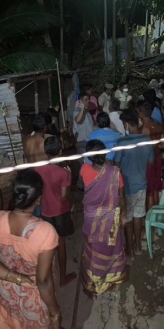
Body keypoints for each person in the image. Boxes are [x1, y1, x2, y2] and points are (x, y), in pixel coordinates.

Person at [0, 169, 61, 328]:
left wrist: (12, 276)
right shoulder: (45, 232)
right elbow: (43, 280)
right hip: (33, 297)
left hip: (6, 290)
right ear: (38, 199)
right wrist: (55, 312)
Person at [80, 140, 127, 298]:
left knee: (94, 250)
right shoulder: (115, 172)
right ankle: (110, 280)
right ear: (105, 153)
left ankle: (93, 283)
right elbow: (121, 196)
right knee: (110, 249)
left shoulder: (84, 169)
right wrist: (124, 214)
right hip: (110, 219)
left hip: (91, 219)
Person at [35, 136, 76, 287]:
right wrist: (70, 178)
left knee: (48, 246)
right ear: (60, 151)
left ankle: (50, 276)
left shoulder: (37, 169)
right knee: (61, 244)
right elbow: (64, 198)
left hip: (45, 211)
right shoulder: (63, 172)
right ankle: (63, 278)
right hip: (60, 212)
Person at [114, 109, 154, 258]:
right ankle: (138, 245)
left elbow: (116, 165)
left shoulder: (122, 142)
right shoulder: (147, 140)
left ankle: (129, 249)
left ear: (125, 124)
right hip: (141, 183)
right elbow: (150, 161)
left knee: (127, 216)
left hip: (126, 186)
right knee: (138, 216)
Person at [137, 101, 164, 210]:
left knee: (149, 191)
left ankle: (150, 219)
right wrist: (155, 145)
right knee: (156, 188)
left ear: (141, 114)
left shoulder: (144, 129)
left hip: (148, 162)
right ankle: (156, 216)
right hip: (157, 159)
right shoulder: (158, 125)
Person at [73, 91, 94, 156]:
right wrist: (82, 106)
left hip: (89, 140)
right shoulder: (77, 111)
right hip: (82, 141)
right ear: (80, 101)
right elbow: (78, 120)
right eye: (85, 100)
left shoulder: (86, 111)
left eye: (88, 99)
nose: (88, 101)